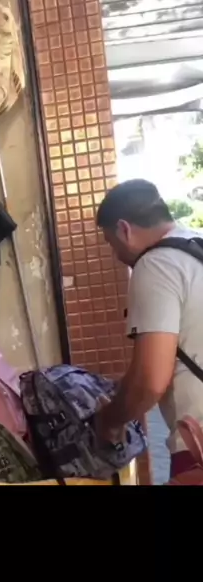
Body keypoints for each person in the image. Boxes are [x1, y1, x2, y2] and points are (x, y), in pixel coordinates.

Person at [93, 179, 203, 479]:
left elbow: (150, 381)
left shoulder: (156, 264)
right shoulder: (196, 246)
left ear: (124, 229)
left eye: (111, 243)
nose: (116, 255)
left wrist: (110, 420)